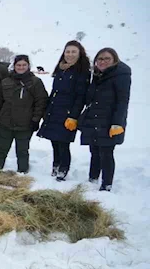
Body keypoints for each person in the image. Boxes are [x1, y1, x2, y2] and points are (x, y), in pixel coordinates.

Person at [37, 40, 91, 181]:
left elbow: (81, 97)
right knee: (54, 141)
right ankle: (56, 165)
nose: (70, 54)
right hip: (54, 110)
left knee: (63, 143)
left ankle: (63, 169)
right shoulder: (61, 69)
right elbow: (54, 91)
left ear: (80, 53)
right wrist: (47, 109)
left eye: (74, 52)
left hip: (68, 113)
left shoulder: (82, 71)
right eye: (68, 51)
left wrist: (73, 116)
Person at [78, 48, 131, 192]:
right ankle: (93, 178)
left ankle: (106, 184)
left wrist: (117, 123)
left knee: (106, 153)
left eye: (107, 58)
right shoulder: (97, 75)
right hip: (94, 118)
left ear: (114, 60)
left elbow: (122, 101)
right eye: (100, 59)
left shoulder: (121, 75)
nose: (103, 61)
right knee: (94, 150)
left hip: (109, 121)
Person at [0, 55, 48, 173]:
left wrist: (36, 119)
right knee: (2, 148)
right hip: (6, 121)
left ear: (28, 66)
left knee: (22, 150)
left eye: (24, 65)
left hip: (25, 123)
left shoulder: (35, 82)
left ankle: (22, 171)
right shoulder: (6, 81)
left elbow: (41, 101)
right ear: (14, 66)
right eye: (18, 65)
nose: (21, 67)